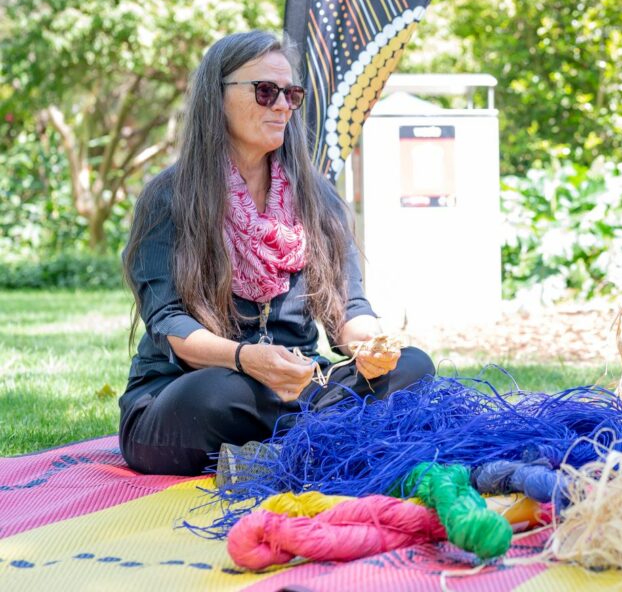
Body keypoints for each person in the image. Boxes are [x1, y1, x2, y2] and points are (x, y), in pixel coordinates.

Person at [119, 31, 435, 476]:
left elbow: (349, 309)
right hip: (199, 389)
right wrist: (246, 359)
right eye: (266, 91)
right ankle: (327, 444)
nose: (283, 106)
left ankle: (275, 455)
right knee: (214, 395)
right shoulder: (170, 197)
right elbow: (171, 326)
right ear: (218, 97)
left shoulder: (317, 198)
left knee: (413, 368)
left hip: (301, 388)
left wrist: (372, 346)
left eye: (292, 94)